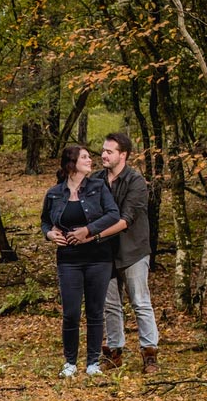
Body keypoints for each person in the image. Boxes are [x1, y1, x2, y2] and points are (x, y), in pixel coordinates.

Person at [68, 132, 160, 374]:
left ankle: (149, 354)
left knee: (140, 302)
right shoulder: (96, 180)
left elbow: (126, 220)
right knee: (110, 304)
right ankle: (114, 352)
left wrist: (93, 234)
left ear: (123, 155)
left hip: (133, 250)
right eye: (103, 151)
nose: (104, 155)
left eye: (109, 151)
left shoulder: (136, 182)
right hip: (103, 253)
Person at [41, 145, 119, 377]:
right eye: (84, 157)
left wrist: (88, 230)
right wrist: (50, 234)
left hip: (98, 257)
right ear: (71, 163)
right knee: (71, 312)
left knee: (96, 311)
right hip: (68, 260)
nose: (90, 160)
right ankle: (70, 362)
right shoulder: (54, 193)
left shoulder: (98, 187)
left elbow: (113, 214)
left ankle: (93, 362)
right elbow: (45, 222)